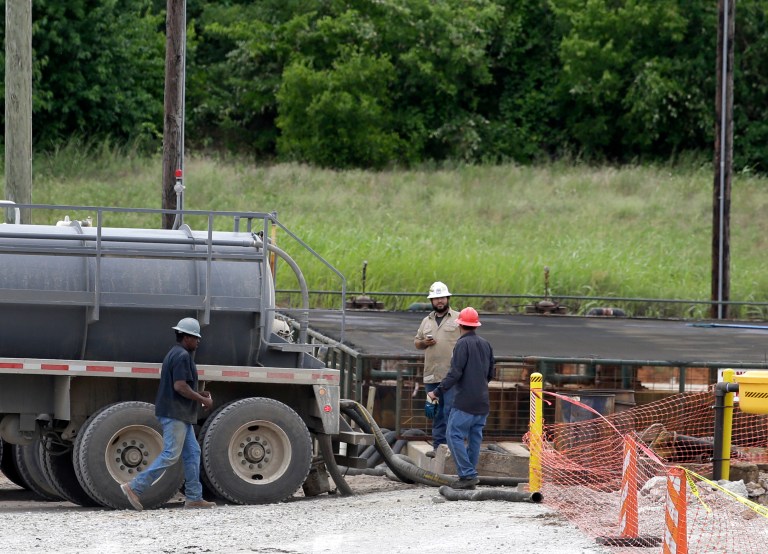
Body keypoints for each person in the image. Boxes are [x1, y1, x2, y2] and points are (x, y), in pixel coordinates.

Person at [121, 317, 216, 510]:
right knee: (171, 454)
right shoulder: (182, 356)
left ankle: (194, 497)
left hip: (179, 413)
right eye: (196, 337)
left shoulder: (176, 353)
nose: (198, 341)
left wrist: (198, 393)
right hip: (175, 414)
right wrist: (202, 400)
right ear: (186, 337)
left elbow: (182, 386)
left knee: (193, 453)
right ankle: (134, 487)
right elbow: (180, 386)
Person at [427, 307, 495, 489]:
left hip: (464, 401)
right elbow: (491, 373)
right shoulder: (486, 344)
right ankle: (469, 475)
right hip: (482, 402)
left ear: (460, 325)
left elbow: (455, 373)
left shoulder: (462, 344)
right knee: (474, 439)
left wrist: (436, 392)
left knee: (453, 434)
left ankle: (467, 474)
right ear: (475, 325)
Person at [414, 281, 461, 458]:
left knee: (450, 410)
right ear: (432, 301)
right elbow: (417, 343)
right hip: (431, 375)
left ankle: (451, 447)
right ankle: (438, 446)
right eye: (436, 298)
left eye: (442, 297)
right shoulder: (426, 321)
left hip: (451, 375)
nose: (439, 301)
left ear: (448, 298)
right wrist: (424, 343)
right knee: (436, 412)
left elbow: (467, 341)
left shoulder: (458, 319)